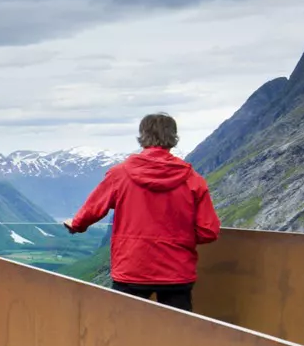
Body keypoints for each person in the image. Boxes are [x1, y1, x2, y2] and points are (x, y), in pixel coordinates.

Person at [64, 113, 221, 311]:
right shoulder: (193, 179)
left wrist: (76, 224)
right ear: (173, 138)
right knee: (179, 336)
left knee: (123, 331)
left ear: (142, 136)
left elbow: (93, 209)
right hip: (176, 271)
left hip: (132, 267)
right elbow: (209, 231)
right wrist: (178, 239)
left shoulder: (119, 174)